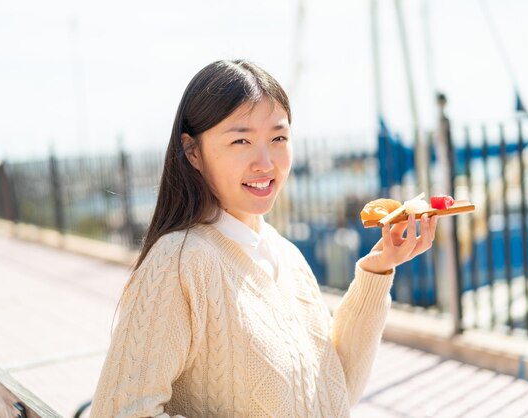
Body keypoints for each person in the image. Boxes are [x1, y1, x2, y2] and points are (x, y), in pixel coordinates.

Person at [89, 59, 437, 418]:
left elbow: (335, 396)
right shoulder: (179, 261)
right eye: (241, 140)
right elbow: (121, 412)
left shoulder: (285, 255)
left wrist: (377, 271)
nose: (266, 162)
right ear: (193, 151)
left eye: (278, 138)